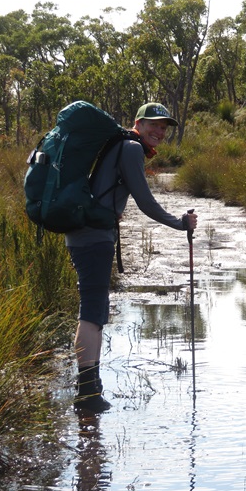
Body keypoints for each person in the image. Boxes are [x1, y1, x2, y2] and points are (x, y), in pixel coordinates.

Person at [66, 102, 198, 413]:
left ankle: (90, 385)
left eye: (164, 126)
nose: (160, 131)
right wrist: (179, 223)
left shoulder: (121, 145)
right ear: (137, 123)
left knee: (95, 309)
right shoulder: (130, 148)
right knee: (93, 310)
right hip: (93, 237)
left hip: (88, 234)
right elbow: (146, 202)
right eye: (154, 124)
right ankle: (86, 395)